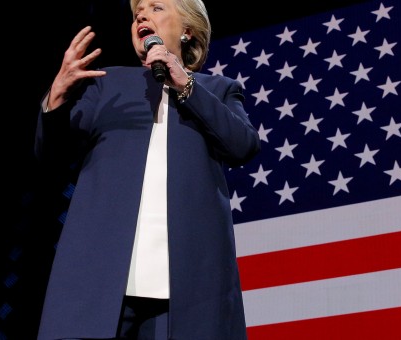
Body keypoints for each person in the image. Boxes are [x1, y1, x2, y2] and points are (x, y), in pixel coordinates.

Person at [33, 0, 261, 338]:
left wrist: (186, 86)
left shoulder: (219, 89)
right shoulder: (106, 83)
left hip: (186, 286)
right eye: (137, 12)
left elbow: (243, 145)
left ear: (187, 30)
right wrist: (56, 98)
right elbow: (50, 154)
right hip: (100, 276)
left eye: (156, 8)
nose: (141, 15)